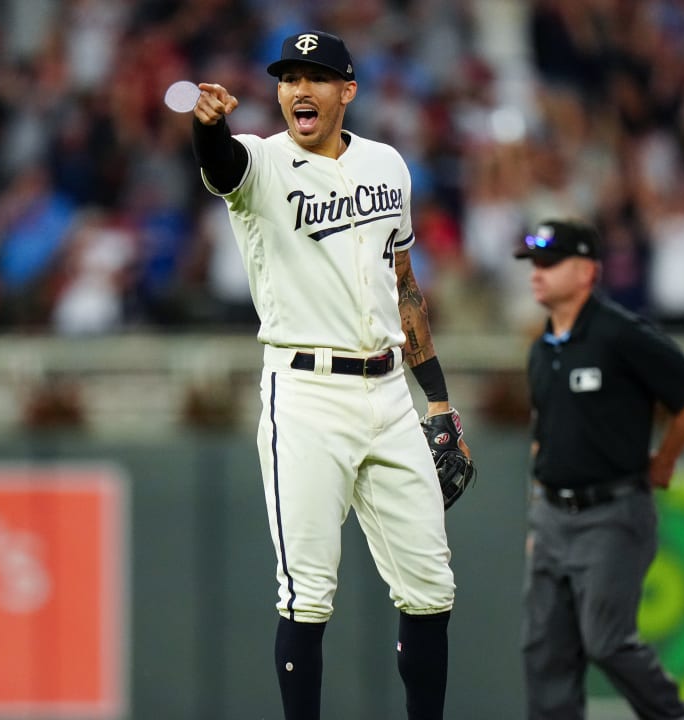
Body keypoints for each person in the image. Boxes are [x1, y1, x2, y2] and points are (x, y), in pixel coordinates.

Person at [188, 30, 468, 720]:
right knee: (307, 593)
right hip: (305, 394)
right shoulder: (261, 160)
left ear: (347, 90)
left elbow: (404, 285)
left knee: (432, 588)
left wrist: (437, 403)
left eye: (314, 76)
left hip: (389, 392)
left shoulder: (388, 166)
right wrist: (209, 130)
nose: (298, 89)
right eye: (288, 78)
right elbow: (223, 168)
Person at [515, 218, 684, 720]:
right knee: (545, 651)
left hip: (612, 512)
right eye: (533, 263)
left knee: (606, 641)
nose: (536, 273)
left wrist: (664, 459)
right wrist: (538, 513)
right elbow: (544, 434)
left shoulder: (619, 333)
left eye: (549, 263)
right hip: (553, 517)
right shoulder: (542, 350)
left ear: (586, 271)